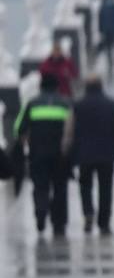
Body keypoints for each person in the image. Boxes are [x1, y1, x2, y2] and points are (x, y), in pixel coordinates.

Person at [65, 74, 114, 235]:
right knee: (106, 188)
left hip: (84, 154)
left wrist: (65, 151)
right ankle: (104, 221)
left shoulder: (77, 106)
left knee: (85, 186)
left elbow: (69, 131)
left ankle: (88, 212)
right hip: (107, 154)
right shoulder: (112, 105)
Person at [13, 72, 74, 236]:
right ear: (57, 86)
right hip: (61, 155)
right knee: (60, 188)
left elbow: (18, 128)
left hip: (38, 154)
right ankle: (59, 223)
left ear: (40, 86)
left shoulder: (32, 104)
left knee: (40, 186)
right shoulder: (65, 104)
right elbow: (73, 130)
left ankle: (41, 213)